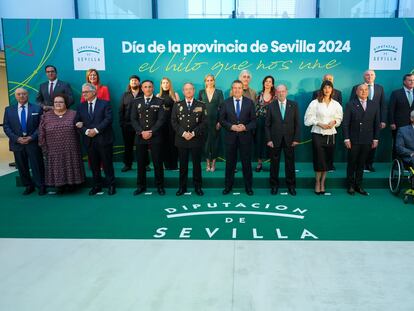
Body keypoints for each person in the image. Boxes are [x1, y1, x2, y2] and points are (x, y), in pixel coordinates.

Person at [38, 94, 85, 193]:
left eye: (61, 102)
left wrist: (81, 125)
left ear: (66, 103)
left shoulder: (74, 114)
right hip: (53, 149)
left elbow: (80, 129)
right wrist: (43, 146)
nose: (58, 104)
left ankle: (72, 184)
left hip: (71, 148)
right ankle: (60, 186)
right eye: (56, 102)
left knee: (70, 164)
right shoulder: (46, 116)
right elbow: (41, 132)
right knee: (57, 166)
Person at [3, 88, 46, 195]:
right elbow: (6, 127)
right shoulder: (9, 110)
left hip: (33, 142)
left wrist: (31, 137)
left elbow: (41, 126)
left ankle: (41, 186)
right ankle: (28, 186)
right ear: (15, 96)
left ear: (27, 95)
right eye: (19, 94)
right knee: (22, 166)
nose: (21, 96)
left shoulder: (37, 108)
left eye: (24, 94)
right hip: (17, 143)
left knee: (37, 165)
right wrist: (17, 138)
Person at [76, 83, 116, 195]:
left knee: (107, 164)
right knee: (94, 165)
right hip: (89, 141)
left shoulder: (105, 104)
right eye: (83, 92)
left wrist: (96, 130)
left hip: (104, 139)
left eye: (86, 92)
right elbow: (77, 122)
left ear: (94, 92)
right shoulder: (81, 106)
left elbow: (108, 119)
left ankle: (111, 185)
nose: (84, 94)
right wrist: (87, 131)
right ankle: (97, 185)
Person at [304, 80, 343, 195]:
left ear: (332, 90)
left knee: (326, 160)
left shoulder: (336, 104)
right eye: (325, 88)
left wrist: (334, 122)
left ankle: (323, 183)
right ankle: (317, 182)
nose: (327, 90)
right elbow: (307, 119)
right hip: (317, 134)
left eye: (329, 88)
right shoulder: (315, 103)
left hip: (331, 135)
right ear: (322, 89)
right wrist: (318, 123)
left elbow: (340, 118)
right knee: (319, 160)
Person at [220, 80, 256, 196]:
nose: (237, 90)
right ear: (232, 89)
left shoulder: (250, 103)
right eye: (235, 88)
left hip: (245, 138)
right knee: (230, 164)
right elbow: (222, 120)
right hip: (230, 138)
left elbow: (254, 121)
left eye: (239, 88)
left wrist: (245, 127)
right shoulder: (226, 103)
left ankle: (249, 187)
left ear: (242, 89)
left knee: (246, 164)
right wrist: (232, 127)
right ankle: (228, 187)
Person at [171, 82, 208, 196]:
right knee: (183, 165)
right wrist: (183, 133)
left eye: (190, 89)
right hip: (182, 140)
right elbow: (173, 121)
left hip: (195, 139)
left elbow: (204, 122)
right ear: (183, 91)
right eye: (186, 89)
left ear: (194, 90)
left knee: (197, 165)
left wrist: (193, 133)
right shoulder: (177, 105)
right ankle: (182, 187)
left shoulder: (201, 105)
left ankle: (198, 187)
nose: (188, 91)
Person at [130, 80, 166, 195]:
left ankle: (160, 186)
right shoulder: (136, 102)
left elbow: (161, 119)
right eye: (145, 87)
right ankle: (141, 186)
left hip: (155, 136)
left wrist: (150, 131)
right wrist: (141, 132)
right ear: (142, 88)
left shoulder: (160, 102)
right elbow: (133, 119)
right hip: (140, 136)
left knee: (157, 163)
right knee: (140, 163)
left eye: (150, 87)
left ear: (153, 88)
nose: (148, 89)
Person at [343, 84, 380, 195]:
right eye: (361, 90)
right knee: (352, 163)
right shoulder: (350, 104)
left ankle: (359, 185)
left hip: (367, 139)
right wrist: (346, 139)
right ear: (356, 91)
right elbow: (345, 124)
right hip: (353, 140)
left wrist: (376, 139)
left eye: (365, 90)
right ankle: (350, 186)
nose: (363, 92)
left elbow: (376, 123)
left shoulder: (374, 104)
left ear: (368, 92)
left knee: (361, 163)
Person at [265, 84, 300, 196]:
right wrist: (269, 140)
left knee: (290, 164)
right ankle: (274, 186)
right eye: (279, 91)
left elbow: (297, 124)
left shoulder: (294, 105)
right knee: (274, 165)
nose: (281, 93)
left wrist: (296, 139)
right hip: (275, 140)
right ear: (276, 93)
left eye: (283, 91)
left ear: (286, 92)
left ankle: (291, 186)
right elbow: (267, 125)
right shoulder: (271, 106)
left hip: (290, 140)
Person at [349, 69, 386, 172]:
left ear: (375, 76)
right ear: (363, 77)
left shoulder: (380, 88)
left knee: (373, 143)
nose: (369, 77)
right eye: (367, 75)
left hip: (374, 121)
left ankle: (369, 165)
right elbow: (351, 103)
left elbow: (382, 105)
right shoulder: (356, 88)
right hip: (358, 123)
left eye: (372, 75)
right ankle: (359, 165)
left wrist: (382, 120)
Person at [198, 74, 224, 172]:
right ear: (205, 82)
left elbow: (222, 108)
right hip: (204, 122)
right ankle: (207, 163)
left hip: (215, 122)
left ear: (214, 81)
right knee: (205, 143)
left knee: (215, 143)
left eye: (211, 80)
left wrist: (220, 122)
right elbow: (198, 108)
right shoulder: (201, 92)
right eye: (207, 80)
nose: (209, 82)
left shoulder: (219, 92)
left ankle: (213, 164)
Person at [119, 75, 143, 172]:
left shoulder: (143, 94)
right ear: (130, 83)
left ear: (139, 82)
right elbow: (121, 110)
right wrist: (122, 124)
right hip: (127, 126)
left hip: (141, 126)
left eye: (136, 80)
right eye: (132, 80)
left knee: (142, 146)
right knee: (128, 146)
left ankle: (145, 164)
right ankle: (128, 164)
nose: (134, 82)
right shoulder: (125, 95)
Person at [156, 77, 180, 170]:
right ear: (161, 85)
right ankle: (165, 165)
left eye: (167, 83)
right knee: (163, 144)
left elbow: (179, 110)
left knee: (173, 144)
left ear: (170, 84)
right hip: (162, 124)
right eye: (163, 83)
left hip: (173, 123)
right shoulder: (158, 95)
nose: (165, 84)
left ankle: (174, 165)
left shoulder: (175, 95)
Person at [389, 73, 414, 159]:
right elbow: (391, 109)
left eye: (413, 80)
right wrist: (392, 122)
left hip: (413, 124)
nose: (412, 82)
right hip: (399, 124)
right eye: (410, 80)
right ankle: (397, 163)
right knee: (398, 144)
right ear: (404, 82)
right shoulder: (396, 93)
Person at [255, 75, 275, 172]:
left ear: (272, 84)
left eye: (270, 81)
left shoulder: (275, 95)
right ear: (263, 83)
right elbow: (256, 109)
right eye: (266, 81)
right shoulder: (259, 94)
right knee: (259, 142)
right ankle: (259, 163)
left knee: (271, 142)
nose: (267, 83)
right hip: (260, 122)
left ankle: (272, 163)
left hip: (271, 123)